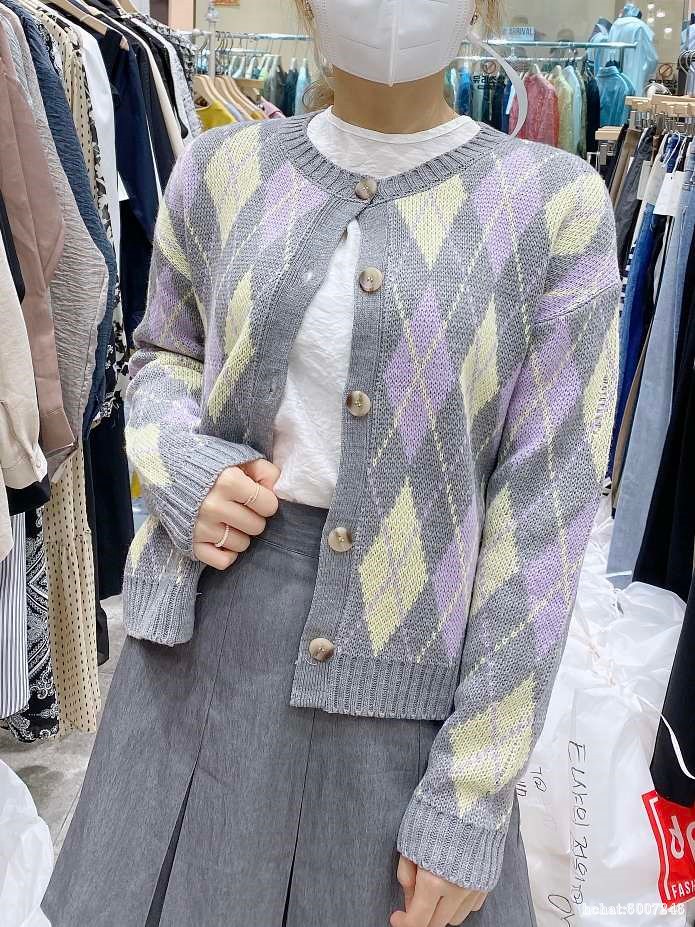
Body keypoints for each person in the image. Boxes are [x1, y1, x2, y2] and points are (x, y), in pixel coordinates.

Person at [43, 1, 621, 925]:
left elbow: (545, 514)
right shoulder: (219, 167)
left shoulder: (553, 205)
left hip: (410, 683)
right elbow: (160, 356)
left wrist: (471, 795)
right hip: (199, 658)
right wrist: (183, 465)